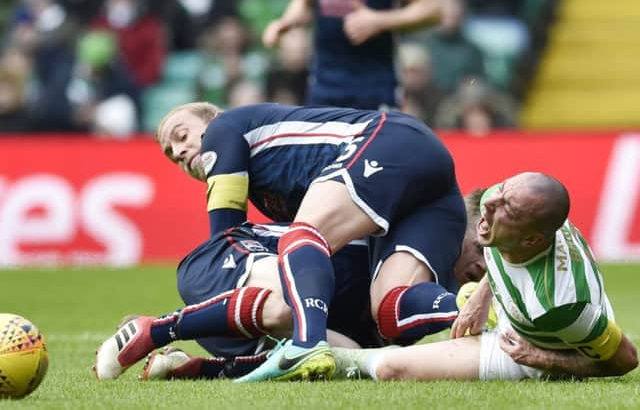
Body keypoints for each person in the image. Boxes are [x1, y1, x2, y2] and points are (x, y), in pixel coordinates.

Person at [157, 101, 467, 382]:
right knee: (389, 311)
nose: (180, 152)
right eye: (172, 155)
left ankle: (308, 343)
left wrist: (189, 320)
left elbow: (224, 243)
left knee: (303, 237)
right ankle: (478, 304)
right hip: (429, 178)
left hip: (389, 140)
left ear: (212, 118)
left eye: (182, 135)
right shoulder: (270, 185)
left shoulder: (222, 130)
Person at [332, 172, 638, 381]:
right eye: (501, 191)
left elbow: (626, 360)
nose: (490, 205)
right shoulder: (520, 220)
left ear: (531, 240)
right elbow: (506, 247)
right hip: (519, 310)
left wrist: (542, 358)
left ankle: (311, 356)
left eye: (508, 210)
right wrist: (482, 295)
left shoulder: (558, 305)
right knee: (465, 296)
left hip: (528, 347)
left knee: (390, 369)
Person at [94, 222, 375, 380]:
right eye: (171, 147)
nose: (178, 151)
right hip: (229, 252)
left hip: (276, 302)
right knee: (291, 307)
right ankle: (155, 330)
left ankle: (196, 368)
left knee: (349, 358)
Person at [262, 0, 440, 109]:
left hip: (376, 87)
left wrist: (379, 21)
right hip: (324, 86)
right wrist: (285, 22)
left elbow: (433, 10)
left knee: (373, 159)